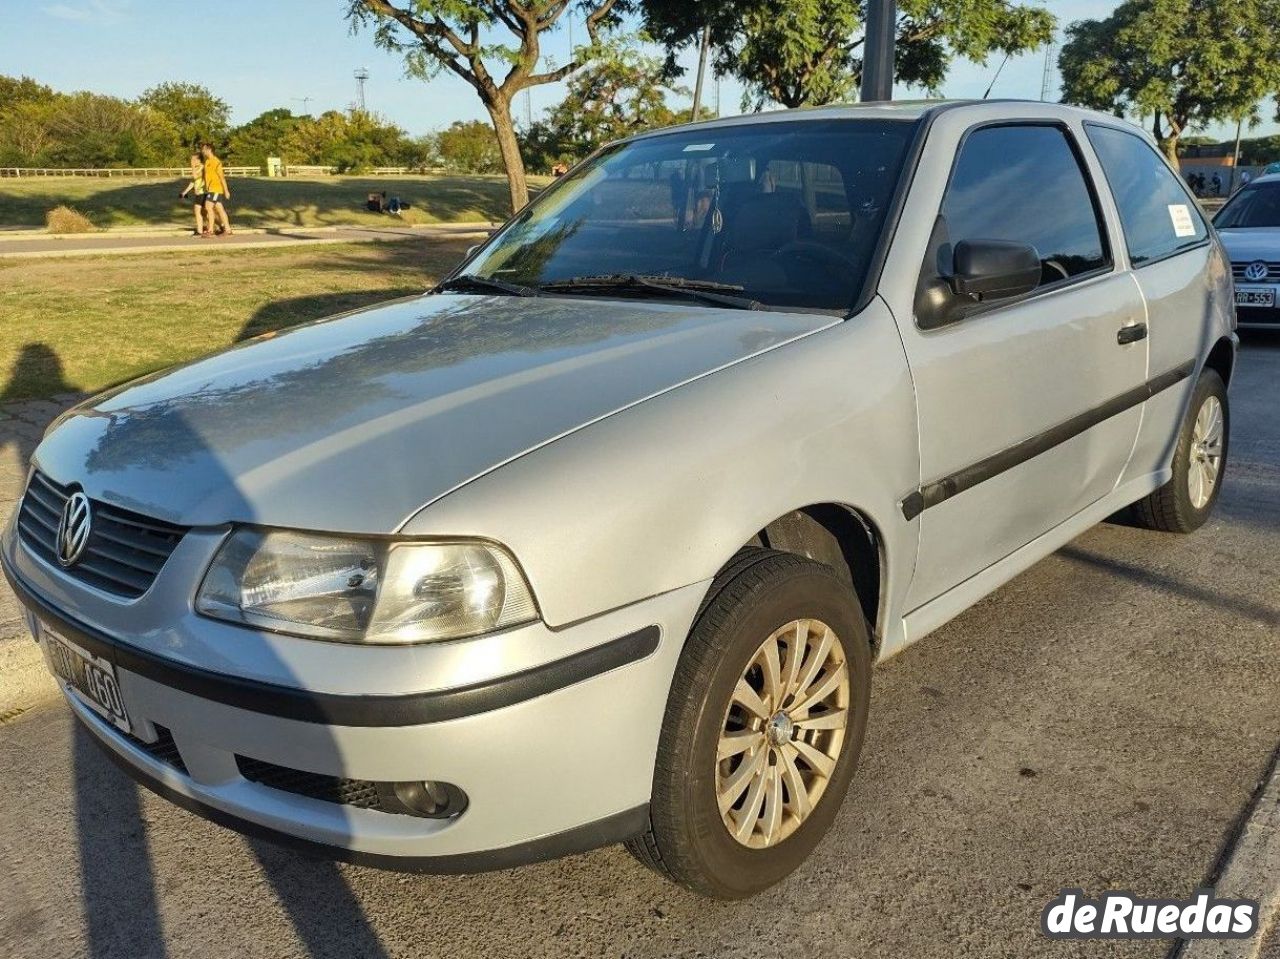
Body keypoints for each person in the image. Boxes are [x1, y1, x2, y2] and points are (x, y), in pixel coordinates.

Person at [199, 142, 233, 237]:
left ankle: (210, 230)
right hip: (210, 189)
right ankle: (228, 230)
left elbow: (222, 177)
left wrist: (226, 191)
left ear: (209, 150)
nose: (203, 151)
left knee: (208, 206)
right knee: (220, 209)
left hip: (216, 188)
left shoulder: (216, 162)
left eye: (204, 149)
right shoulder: (207, 162)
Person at [178, 153, 207, 236]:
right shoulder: (197, 168)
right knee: (205, 213)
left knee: (198, 211)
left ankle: (200, 231)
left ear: (199, 160)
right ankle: (220, 226)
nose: (192, 161)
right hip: (199, 193)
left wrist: (193, 167)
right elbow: (193, 181)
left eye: (194, 160)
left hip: (203, 192)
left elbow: (196, 177)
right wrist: (185, 192)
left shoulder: (203, 167)